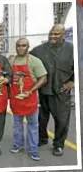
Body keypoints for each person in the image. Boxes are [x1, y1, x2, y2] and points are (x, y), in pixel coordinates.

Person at [29, 24, 74, 156]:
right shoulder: (39, 50)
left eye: (56, 34)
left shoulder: (72, 49)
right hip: (43, 91)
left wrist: (73, 82)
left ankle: (58, 145)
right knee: (41, 119)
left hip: (61, 92)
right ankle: (42, 139)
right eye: (51, 34)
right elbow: (26, 60)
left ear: (63, 35)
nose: (53, 36)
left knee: (62, 120)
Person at [8, 38, 47, 161]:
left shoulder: (34, 61)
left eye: (23, 45)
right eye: (18, 45)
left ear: (28, 46)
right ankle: (17, 145)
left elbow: (43, 78)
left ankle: (33, 150)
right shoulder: (11, 61)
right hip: (16, 100)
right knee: (17, 125)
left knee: (33, 126)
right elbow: (7, 76)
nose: (21, 48)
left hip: (30, 100)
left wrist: (30, 91)